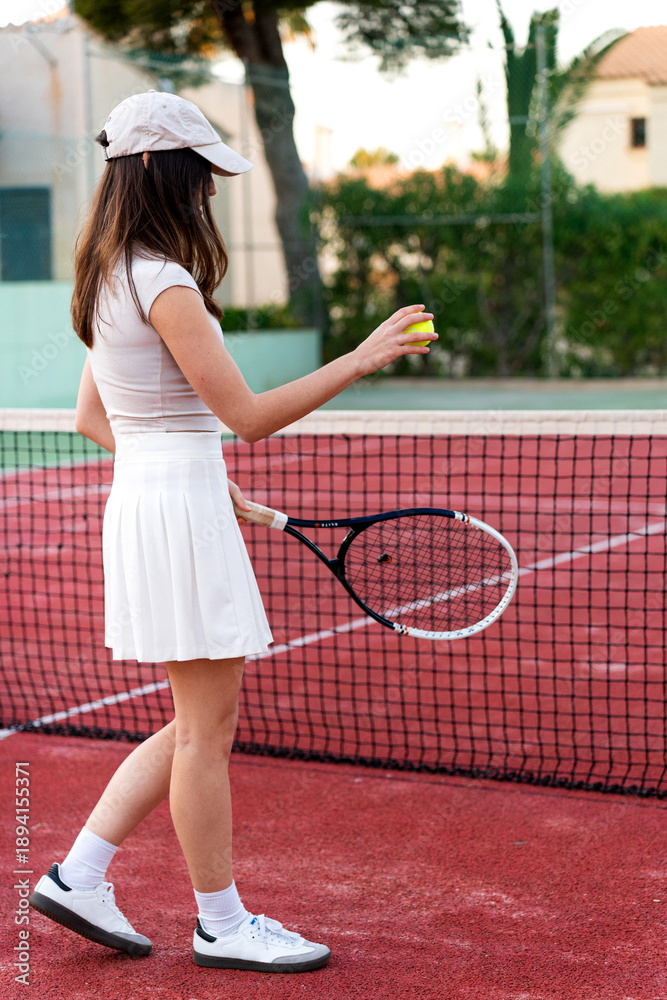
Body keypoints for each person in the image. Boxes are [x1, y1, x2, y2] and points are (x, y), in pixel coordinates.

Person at [28, 90, 436, 973]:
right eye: (199, 172)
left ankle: (80, 875)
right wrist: (361, 358)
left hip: (150, 501)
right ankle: (220, 922)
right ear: (154, 171)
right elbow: (247, 417)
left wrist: (193, 476)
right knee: (208, 731)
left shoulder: (106, 273)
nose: (208, 191)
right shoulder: (164, 282)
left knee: (190, 722)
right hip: (174, 507)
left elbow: (93, 420)